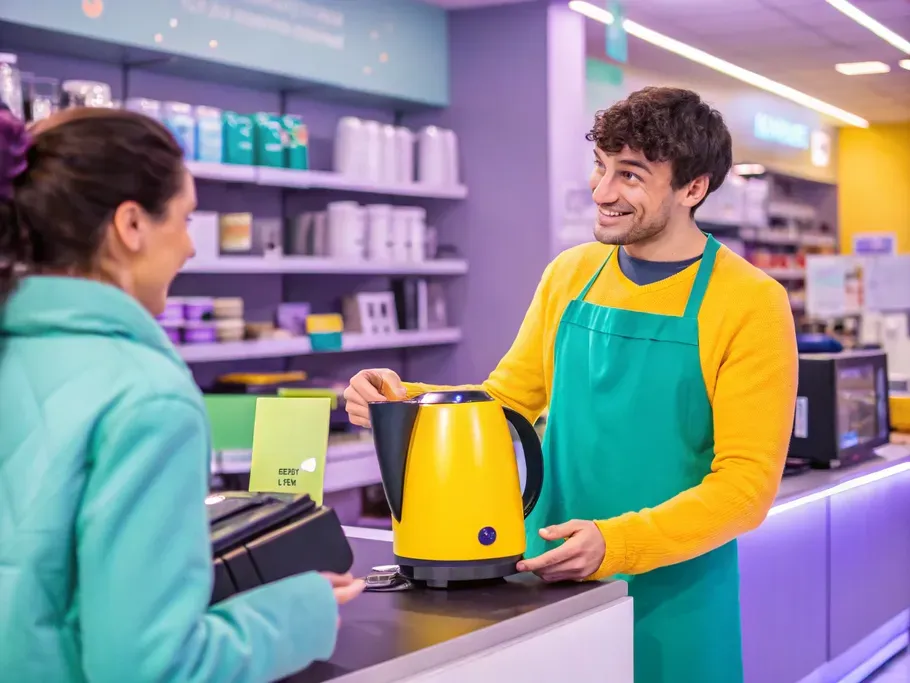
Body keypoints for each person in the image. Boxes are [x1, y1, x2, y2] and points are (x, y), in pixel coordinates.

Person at [344, 87, 798, 683]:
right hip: (549, 575)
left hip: (674, 593)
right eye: (601, 166)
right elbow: (505, 401)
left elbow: (744, 489)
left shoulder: (750, 302)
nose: (602, 191)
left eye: (630, 175)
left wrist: (614, 544)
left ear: (693, 188)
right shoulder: (571, 274)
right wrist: (404, 400)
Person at [0, 106, 363, 683]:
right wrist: (298, 614)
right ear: (132, 225)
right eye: (186, 218)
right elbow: (152, 668)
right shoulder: (146, 398)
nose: (191, 247)